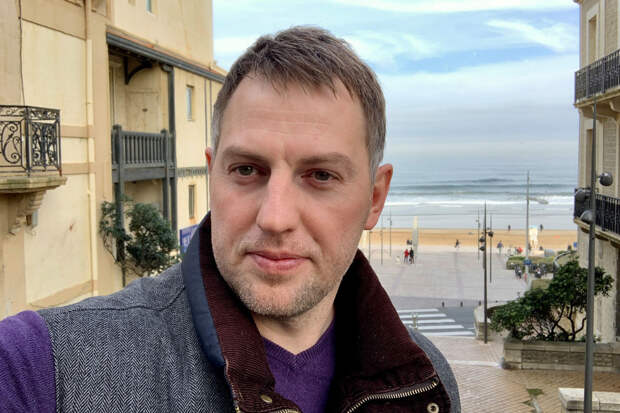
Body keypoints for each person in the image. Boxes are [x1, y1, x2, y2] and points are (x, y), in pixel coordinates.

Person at [0, 27, 459, 412]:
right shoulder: (46, 367)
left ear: (374, 199)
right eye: (246, 170)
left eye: (320, 176)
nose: (275, 218)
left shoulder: (427, 382)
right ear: (212, 173)